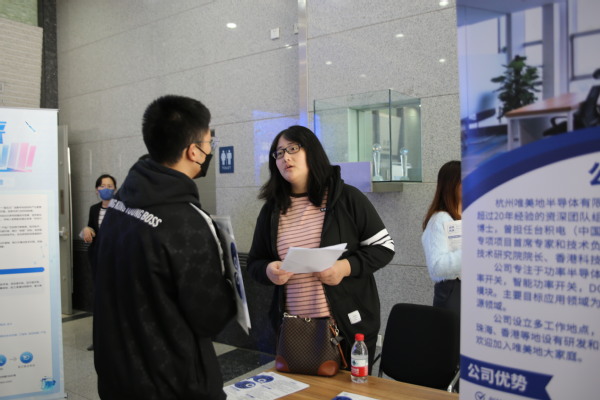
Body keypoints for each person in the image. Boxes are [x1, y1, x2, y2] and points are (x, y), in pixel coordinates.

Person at [90, 95, 236, 400]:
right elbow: (209, 317)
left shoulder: (118, 205)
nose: (211, 149)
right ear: (193, 151)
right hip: (173, 382)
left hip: (117, 375)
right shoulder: (186, 221)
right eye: (209, 142)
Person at [247, 125, 395, 371]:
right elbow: (255, 262)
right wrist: (268, 271)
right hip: (293, 328)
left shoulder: (347, 198)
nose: (285, 158)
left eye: (293, 148)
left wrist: (344, 267)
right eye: (279, 153)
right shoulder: (272, 209)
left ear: (312, 152)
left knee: (348, 389)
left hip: (345, 327)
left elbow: (384, 247)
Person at [80, 173, 117, 351]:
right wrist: (86, 229)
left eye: (110, 186)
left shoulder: (122, 209)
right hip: (98, 260)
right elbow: (91, 229)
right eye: (103, 186)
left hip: (116, 261)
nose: (106, 189)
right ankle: (99, 339)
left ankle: (117, 340)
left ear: (115, 190)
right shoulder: (94, 209)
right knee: (100, 301)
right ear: (97, 190)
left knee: (116, 301)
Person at [421, 160, 462, 317]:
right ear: (452, 185)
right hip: (454, 292)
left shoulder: (469, 215)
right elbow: (437, 267)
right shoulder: (440, 219)